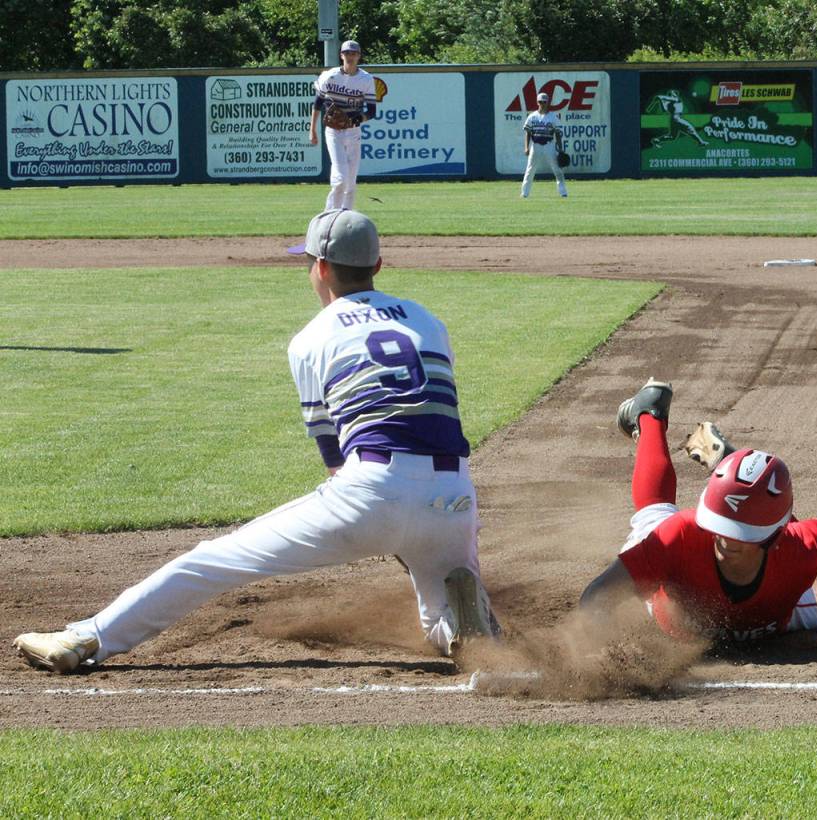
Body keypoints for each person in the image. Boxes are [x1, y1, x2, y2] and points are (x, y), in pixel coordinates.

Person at [13, 210, 500, 674]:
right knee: (437, 618)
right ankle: (465, 631)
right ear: (377, 264)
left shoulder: (312, 338)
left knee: (211, 560)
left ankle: (86, 637)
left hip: (371, 488)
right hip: (454, 496)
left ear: (322, 268)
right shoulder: (428, 321)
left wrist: (386, 525)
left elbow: (334, 461)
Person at [580, 379, 817, 645]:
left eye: (740, 533)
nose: (725, 540)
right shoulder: (679, 536)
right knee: (654, 513)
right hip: (673, 592)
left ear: (774, 538)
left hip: (775, 602)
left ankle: (734, 475)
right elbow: (597, 597)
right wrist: (603, 657)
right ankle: (650, 411)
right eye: (720, 525)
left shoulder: (798, 547)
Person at [309, 40, 377, 211]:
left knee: (351, 182)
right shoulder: (329, 76)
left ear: (359, 56)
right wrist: (313, 130)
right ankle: (329, 214)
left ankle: (346, 217)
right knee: (340, 179)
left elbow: (371, 112)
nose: (350, 56)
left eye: (354, 53)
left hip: (353, 132)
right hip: (333, 132)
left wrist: (354, 120)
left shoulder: (366, 79)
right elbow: (317, 104)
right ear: (341, 55)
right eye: (347, 53)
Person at [521, 92, 568, 199]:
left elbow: (557, 134)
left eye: (544, 102)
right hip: (535, 145)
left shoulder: (553, 117)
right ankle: (524, 193)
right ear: (537, 102)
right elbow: (528, 132)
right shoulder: (532, 116)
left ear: (548, 103)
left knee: (557, 169)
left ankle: (563, 192)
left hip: (549, 145)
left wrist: (560, 149)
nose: (542, 103)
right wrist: (526, 147)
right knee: (530, 170)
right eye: (540, 101)